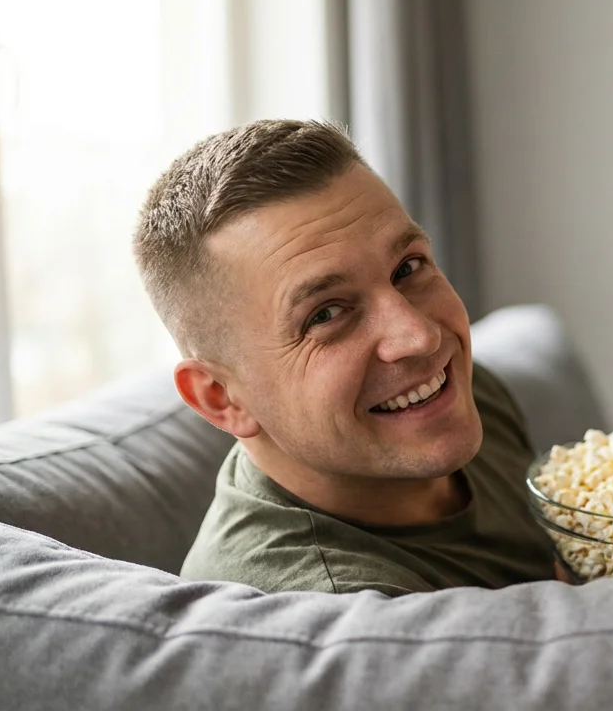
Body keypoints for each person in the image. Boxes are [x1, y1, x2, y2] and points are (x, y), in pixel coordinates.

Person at [133, 119, 555, 596]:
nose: (419, 336)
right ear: (221, 398)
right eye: (326, 314)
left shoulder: (453, 394)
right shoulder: (330, 617)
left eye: (407, 267)